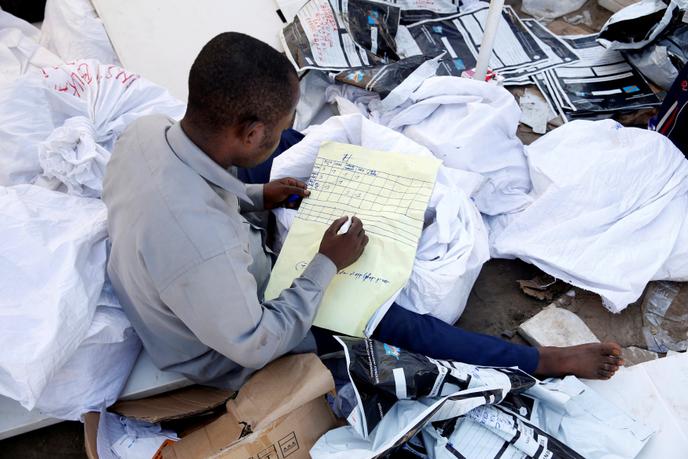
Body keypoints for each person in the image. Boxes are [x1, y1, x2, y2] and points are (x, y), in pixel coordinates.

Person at [103, 32, 623, 391]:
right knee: (392, 323)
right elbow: (256, 343)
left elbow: (201, 192)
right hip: (221, 349)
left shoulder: (148, 132)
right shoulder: (202, 246)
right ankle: (543, 361)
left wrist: (258, 197)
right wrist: (328, 262)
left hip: (205, 269)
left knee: (306, 151)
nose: (280, 133)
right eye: (274, 127)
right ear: (249, 132)